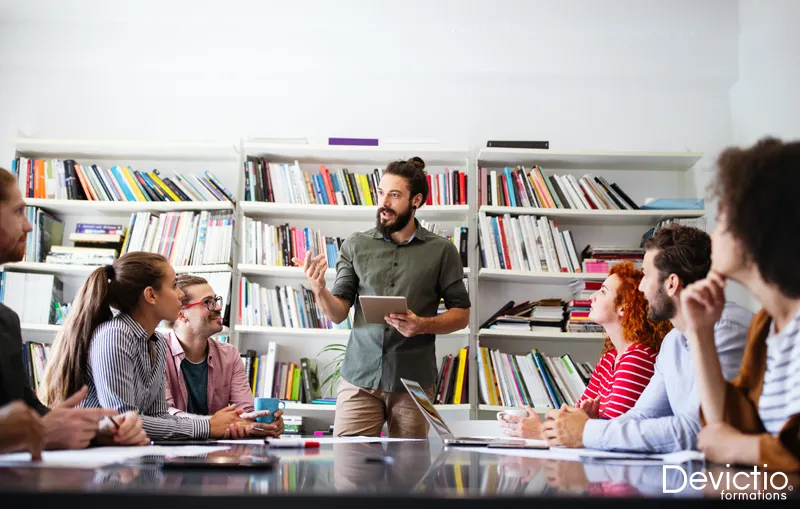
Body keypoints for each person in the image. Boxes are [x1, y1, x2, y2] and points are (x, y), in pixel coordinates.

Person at [294, 157, 471, 438]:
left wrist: (422, 324)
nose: (383, 202)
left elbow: (462, 315)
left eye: (395, 195)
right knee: (351, 472)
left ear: (416, 200)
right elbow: (338, 312)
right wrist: (319, 290)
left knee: (409, 476)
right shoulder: (355, 245)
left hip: (413, 383)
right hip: (359, 379)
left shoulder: (442, 251)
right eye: (381, 193)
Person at [541, 225, 753, 452]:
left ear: (671, 283)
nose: (640, 288)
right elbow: (643, 414)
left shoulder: (726, 330)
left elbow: (696, 430)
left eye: (646, 275)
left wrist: (587, 432)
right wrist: (586, 429)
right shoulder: (673, 342)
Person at [0, 167, 140, 454]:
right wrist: (35, 433)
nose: (28, 226)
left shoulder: (6, 321)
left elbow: (31, 413)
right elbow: (29, 428)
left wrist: (94, 431)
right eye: (18, 212)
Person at [682, 138, 800, 470]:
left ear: (755, 227)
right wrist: (700, 333)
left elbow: (730, 442)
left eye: (720, 222)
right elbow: (726, 426)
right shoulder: (765, 325)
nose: (712, 236)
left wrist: (742, 448)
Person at [42, 252, 249, 440]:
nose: (180, 295)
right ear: (151, 295)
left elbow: (159, 415)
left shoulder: (156, 343)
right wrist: (207, 426)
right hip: (89, 459)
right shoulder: (115, 335)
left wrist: (212, 424)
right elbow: (124, 421)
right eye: (174, 285)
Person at [500, 262, 672, 439]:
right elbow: (573, 418)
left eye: (603, 291)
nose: (592, 297)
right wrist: (585, 421)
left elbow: (612, 433)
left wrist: (541, 431)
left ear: (624, 307)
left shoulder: (638, 357)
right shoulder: (611, 357)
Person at [164, 274, 284, 437]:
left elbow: (245, 413)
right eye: (208, 302)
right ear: (181, 314)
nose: (219, 308)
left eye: (216, 300)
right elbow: (164, 415)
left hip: (219, 454)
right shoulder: (156, 352)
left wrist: (263, 424)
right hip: (169, 455)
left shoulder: (229, 354)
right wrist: (212, 425)